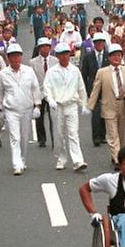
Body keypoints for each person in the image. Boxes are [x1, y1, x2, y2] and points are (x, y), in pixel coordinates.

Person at [87, 43, 125, 170]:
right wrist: (90, 106)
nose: (117, 58)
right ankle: (118, 159)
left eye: (119, 55)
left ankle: (118, 154)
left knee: (122, 135)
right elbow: (96, 90)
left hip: (124, 104)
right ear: (109, 57)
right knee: (112, 135)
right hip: (109, 106)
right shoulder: (102, 72)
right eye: (114, 55)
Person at [0, 43, 42, 175]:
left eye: (18, 56)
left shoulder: (29, 71)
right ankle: (16, 163)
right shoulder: (3, 74)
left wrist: (37, 105)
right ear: (9, 58)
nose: (15, 59)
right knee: (14, 137)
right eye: (12, 57)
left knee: (24, 137)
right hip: (11, 110)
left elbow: (35, 88)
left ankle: (22, 158)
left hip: (27, 108)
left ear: (21, 57)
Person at [44, 42, 90, 172]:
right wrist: (50, 100)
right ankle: (61, 158)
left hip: (71, 105)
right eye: (61, 54)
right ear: (57, 56)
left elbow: (81, 88)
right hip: (57, 106)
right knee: (59, 134)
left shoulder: (75, 70)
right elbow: (47, 89)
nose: (64, 57)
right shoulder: (52, 71)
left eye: (66, 54)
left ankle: (78, 160)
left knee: (73, 133)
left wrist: (84, 104)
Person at [81, 32, 110, 146]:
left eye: (101, 42)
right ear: (94, 44)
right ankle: (96, 137)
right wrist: (84, 90)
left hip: (107, 88)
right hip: (93, 88)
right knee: (96, 113)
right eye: (97, 42)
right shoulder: (88, 56)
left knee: (106, 113)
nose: (99, 44)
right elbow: (84, 74)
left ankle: (103, 135)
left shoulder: (108, 55)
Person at [29, 37, 57, 147]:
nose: (45, 49)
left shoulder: (55, 61)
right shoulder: (33, 62)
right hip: (39, 92)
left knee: (53, 116)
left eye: (47, 46)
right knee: (39, 117)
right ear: (39, 49)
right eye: (42, 47)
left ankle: (54, 137)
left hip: (52, 92)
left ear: (50, 48)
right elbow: (32, 79)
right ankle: (41, 139)